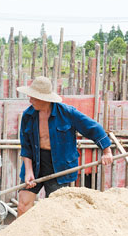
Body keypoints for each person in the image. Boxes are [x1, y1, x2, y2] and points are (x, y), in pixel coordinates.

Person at [16, 76, 114, 216]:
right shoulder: (28, 115)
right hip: (35, 163)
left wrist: (106, 151)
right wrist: (29, 171)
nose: (30, 101)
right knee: (23, 205)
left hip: (59, 165)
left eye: (34, 98)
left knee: (54, 210)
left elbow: (93, 128)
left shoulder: (67, 113)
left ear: (45, 98)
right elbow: (26, 146)